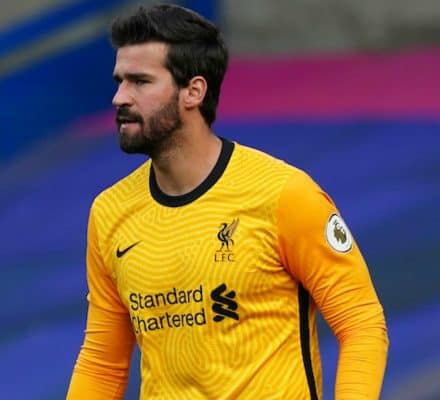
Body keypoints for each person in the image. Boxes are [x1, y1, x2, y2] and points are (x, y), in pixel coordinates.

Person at [67, 4, 388, 399]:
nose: (119, 97)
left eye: (140, 82)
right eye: (119, 81)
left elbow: (361, 322)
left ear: (193, 91)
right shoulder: (109, 212)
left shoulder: (285, 194)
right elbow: (102, 362)